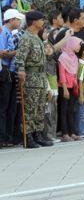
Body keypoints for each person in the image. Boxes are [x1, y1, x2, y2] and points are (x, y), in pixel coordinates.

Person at [15, 10, 54, 148]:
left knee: (40, 107)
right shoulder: (26, 38)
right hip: (31, 78)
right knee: (30, 108)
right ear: (33, 21)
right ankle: (28, 136)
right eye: (41, 19)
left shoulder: (36, 37)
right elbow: (20, 58)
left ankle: (38, 134)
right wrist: (20, 71)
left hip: (41, 77)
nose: (43, 22)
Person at [0, 9, 24, 147]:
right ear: (11, 20)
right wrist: (17, 51)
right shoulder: (3, 32)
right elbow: (3, 53)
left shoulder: (10, 33)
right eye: (17, 19)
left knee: (12, 107)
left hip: (12, 70)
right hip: (5, 70)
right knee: (4, 106)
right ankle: (3, 137)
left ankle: (10, 136)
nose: (19, 22)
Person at [58, 36, 82, 142]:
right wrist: (64, 88)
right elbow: (62, 74)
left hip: (73, 86)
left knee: (71, 110)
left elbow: (75, 73)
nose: (79, 47)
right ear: (71, 44)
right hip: (65, 87)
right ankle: (65, 133)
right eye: (78, 44)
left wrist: (76, 84)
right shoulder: (62, 57)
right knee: (64, 110)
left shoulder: (75, 57)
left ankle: (72, 132)